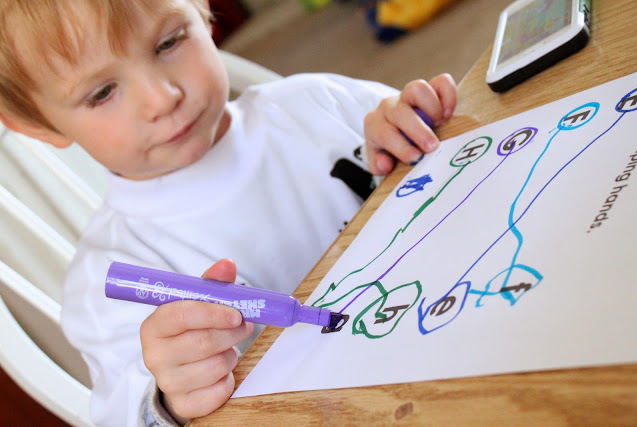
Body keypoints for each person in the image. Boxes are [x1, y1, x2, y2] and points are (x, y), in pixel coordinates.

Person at [0, 0, 457, 425]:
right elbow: (127, 416)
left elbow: (459, 161)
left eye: (168, 42)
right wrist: (169, 400)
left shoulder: (317, 102)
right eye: (102, 93)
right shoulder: (102, 285)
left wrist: (413, 129)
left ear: (201, 9)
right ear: (38, 124)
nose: (162, 97)